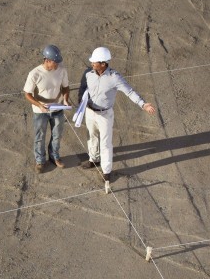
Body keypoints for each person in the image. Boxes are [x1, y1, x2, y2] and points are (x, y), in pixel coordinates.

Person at [77, 47, 156, 181]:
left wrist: (143, 104)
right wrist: (81, 102)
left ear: (103, 64)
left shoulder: (115, 78)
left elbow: (129, 92)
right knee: (92, 136)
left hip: (105, 115)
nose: (92, 64)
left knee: (106, 143)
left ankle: (106, 171)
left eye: (94, 62)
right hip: (90, 112)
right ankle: (94, 159)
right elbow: (83, 88)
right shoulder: (88, 73)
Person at [23, 45, 71, 173]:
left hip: (58, 109)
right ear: (47, 60)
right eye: (56, 62)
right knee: (40, 136)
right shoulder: (35, 73)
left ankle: (54, 157)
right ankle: (40, 161)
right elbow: (27, 93)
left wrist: (66, 99)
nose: (58, 64)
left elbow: (66, 87)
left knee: (57, 135)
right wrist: (39, 105)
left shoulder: (62, 70)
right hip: (40, 112)